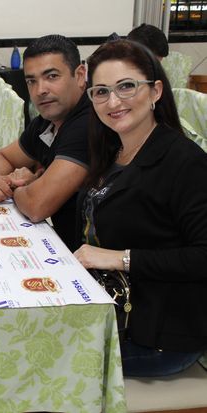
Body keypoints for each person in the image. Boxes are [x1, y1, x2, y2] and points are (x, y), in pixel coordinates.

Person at [73, 39, 207, 377]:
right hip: (113, 309)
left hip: (159, 334)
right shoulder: (112, 151)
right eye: (101, 92)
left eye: (126, 87)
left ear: (155, 91)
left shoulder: (184, 162)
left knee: (43, 356)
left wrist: (120, 258)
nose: (113, 101)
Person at [0, 34, 89, 250]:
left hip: (85, 259)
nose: (40, 90)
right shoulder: (46, 121)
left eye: (52, 76)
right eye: (32, 81)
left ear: (79, 76)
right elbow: (2, 157)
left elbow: (36, 205)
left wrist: (23, 186)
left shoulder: (88, 123)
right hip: (60, 243)